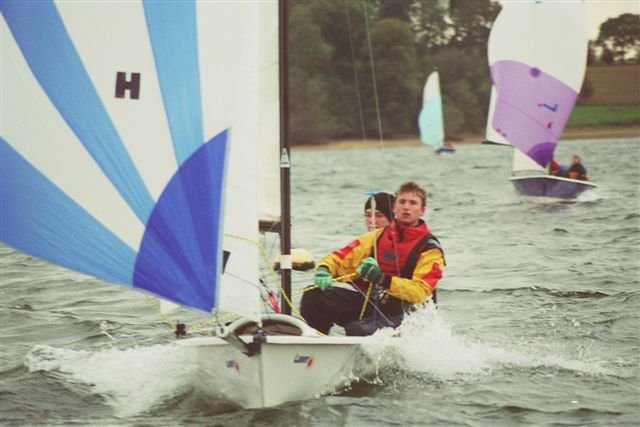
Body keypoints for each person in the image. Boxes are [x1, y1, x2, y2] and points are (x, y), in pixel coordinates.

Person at [300, 181, 445, 336]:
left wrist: (382, 278)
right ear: (395, 208)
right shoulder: (377, 236)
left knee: (357, 329)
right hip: (377, 306)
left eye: (413, 203)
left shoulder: (430, 249)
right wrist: (325, 269)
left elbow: (420, 292)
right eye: (402, 202)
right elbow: (342, 258)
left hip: (410, 317)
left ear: (422, 210)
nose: (406, 207)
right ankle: (317, 345)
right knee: (314, 295)